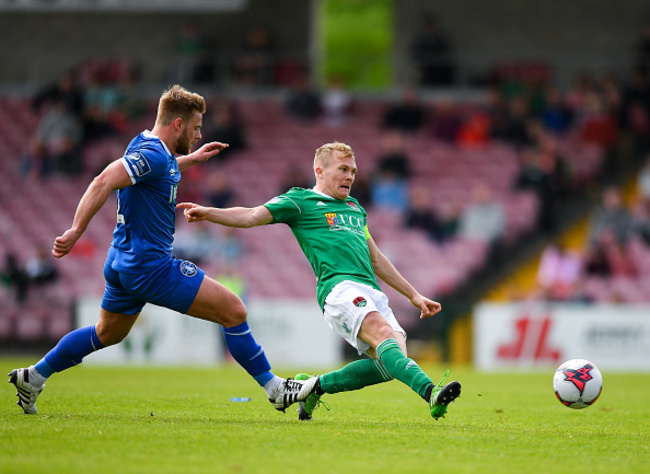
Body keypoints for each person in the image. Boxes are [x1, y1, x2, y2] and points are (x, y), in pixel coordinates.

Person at [8, 85, 316, 415]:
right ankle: (275, 389)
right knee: (235, 311)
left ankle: (34, 376)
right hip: (149, 266)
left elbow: (158, 171)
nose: (199, 134)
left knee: (106, 333)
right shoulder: (153, 154)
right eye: (196, 127)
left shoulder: (150, 149)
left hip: (121, 261)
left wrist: (190, 160)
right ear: (178, 124)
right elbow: (102, 180)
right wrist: (76, 229)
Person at [177, 142, 462, 421]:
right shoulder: (300, 201)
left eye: (353, 170)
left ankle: (311, 387)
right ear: (320, 171)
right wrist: (209, 213)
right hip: (338, 289)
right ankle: (431, 394)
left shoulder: (354, 207)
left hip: (371, 290)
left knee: (392, 363)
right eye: (343, 169)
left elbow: (375, 258)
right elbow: (252, 215)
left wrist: (414, 295)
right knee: (385, 337)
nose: (350, 176)